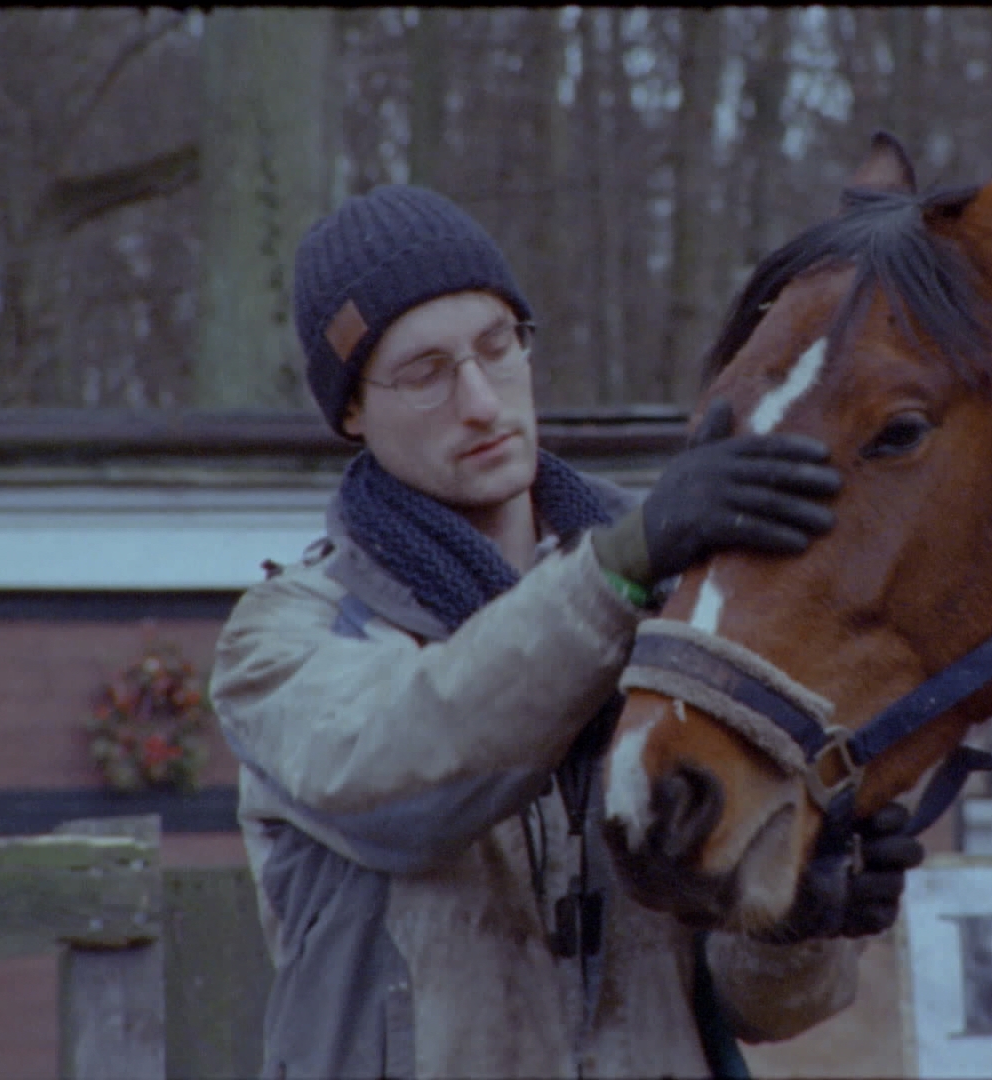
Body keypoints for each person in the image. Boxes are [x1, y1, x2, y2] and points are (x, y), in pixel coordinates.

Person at [209, 184, 926, 1079]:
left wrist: (806, 916)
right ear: (351, 411)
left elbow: (748, 1008)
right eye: (425, 371)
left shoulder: (673, 605)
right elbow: (405, 770)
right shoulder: (283, 639)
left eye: (496, 345)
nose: (478, 399)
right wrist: (622, 566)